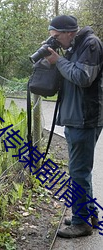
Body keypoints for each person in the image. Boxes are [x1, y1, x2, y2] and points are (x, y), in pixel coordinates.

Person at [45, 15, 103, 238]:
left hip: (85, 118)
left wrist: (58, 61)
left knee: (78, 172)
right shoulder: (74, 46)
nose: (56, 41)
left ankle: (81, 223)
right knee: (81, 171)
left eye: (57, 37)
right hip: (76, 117)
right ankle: (88, 213)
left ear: (69, 32)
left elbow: (82, 77)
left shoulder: (90, 44)